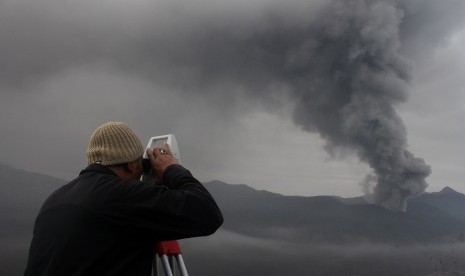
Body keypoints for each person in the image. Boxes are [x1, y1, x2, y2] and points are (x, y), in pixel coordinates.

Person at [24, 122, 223, 276]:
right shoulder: (122, 197)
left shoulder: (54, 200)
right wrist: (172, 169)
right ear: (130, 165)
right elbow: (208, 213)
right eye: (141, 164)